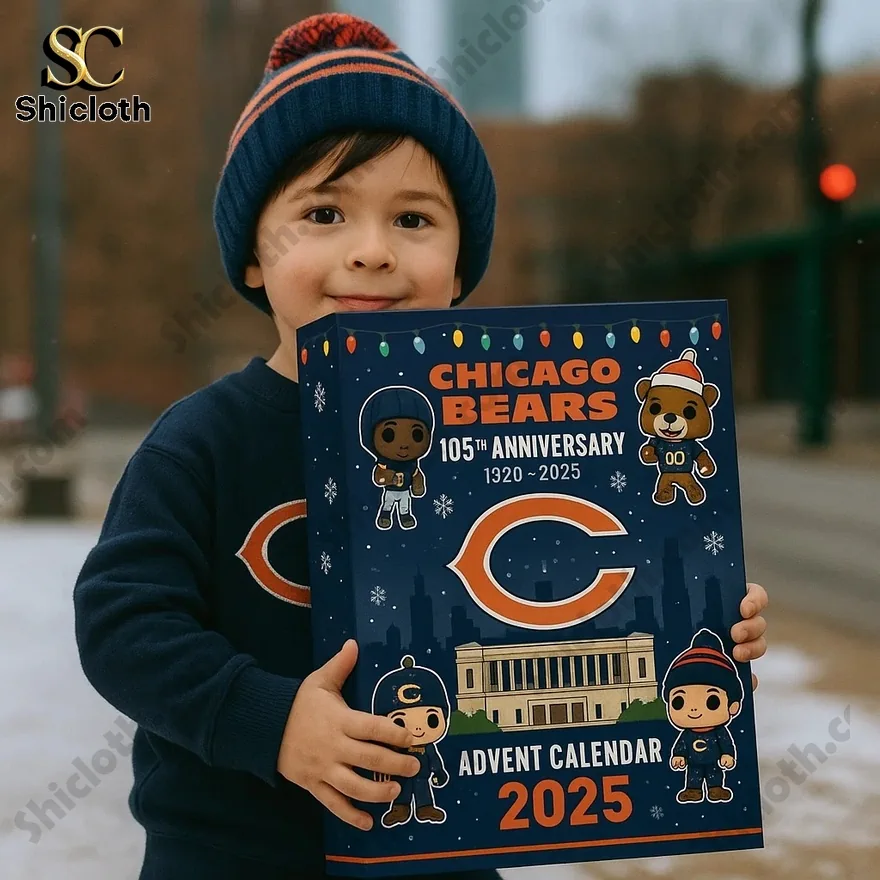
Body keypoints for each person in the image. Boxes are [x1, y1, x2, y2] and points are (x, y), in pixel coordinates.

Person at [72, 13, 770, 880]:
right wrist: (270, 719)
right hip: (232, 854)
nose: (371, 253)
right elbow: (122, 625)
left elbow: (566, 604)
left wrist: (700, 626)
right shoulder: (201, 442)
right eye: (322, 213)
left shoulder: (511, 435)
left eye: (413, 219)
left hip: (445, 847)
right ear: (254, 255)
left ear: (459, 262)